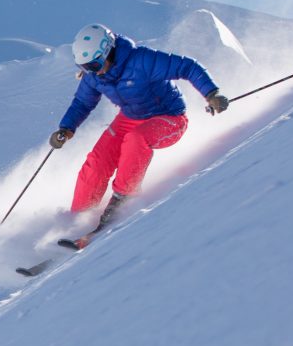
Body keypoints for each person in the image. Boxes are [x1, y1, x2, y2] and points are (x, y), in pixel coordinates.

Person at [48, 23, 228, 247]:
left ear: (107, 52)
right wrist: (66, 128)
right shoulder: (94, 76)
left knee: (136, 140)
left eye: (94, 64)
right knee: (97, 160)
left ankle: (124, 199)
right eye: (84, 67)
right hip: (130, 117)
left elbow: (187, 67)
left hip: (169, 118)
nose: (91, 71)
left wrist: (212, 94)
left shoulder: (141, 60)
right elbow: (83, 102)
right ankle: (77, 219)